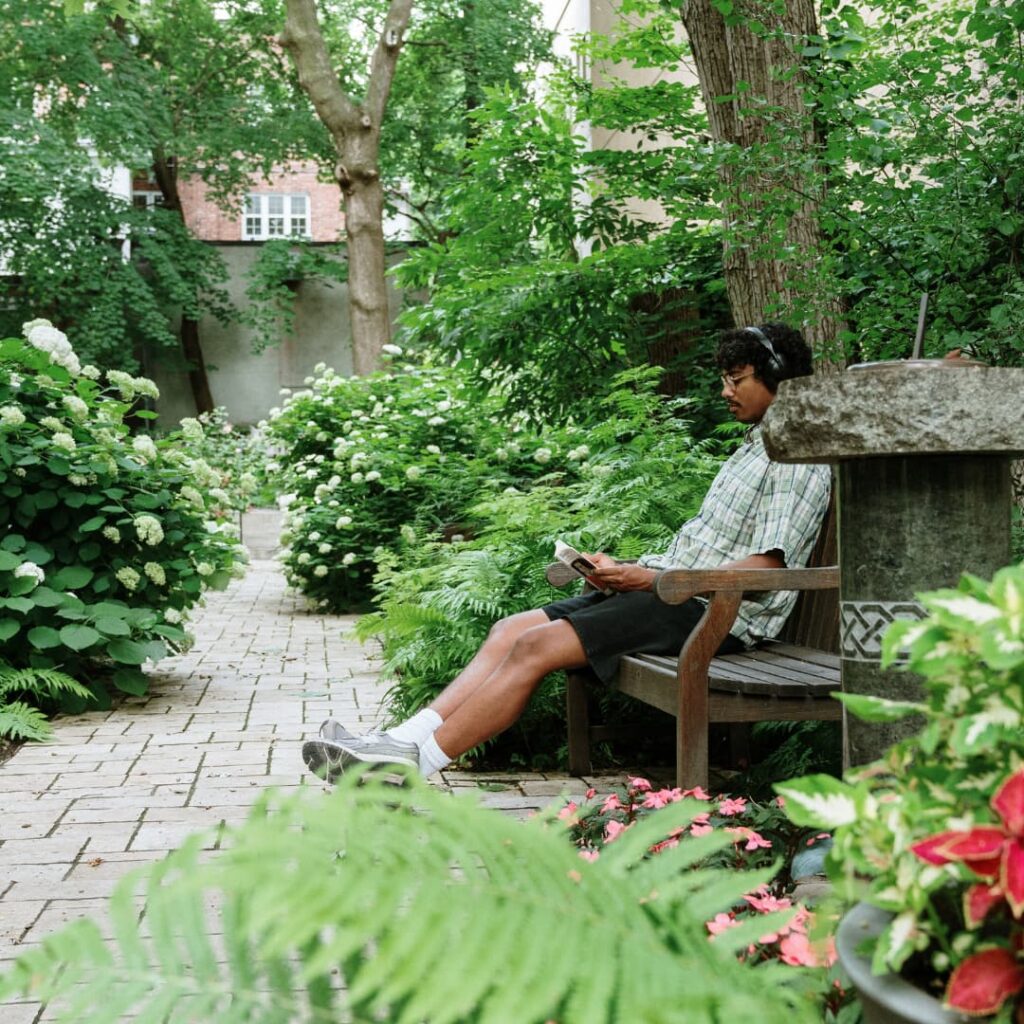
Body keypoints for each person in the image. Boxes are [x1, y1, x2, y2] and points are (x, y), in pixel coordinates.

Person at [302, 323, 832, 783]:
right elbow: (707, 544)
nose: (725, 391)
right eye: (725, 379)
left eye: (735, 380)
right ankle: (396, 742)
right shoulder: (754, 448)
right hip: (678, 595)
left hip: (717, 613)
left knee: (536, 648)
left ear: (778, 376)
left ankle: (407, 769)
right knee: (510, 629)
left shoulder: (797, 457)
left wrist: (650, 579)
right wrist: (621, 568)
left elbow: (769, 567)